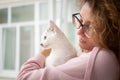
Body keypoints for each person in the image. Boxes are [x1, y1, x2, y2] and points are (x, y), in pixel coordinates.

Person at [16, 0, 120, 80]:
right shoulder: (104, 56)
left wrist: (43, 53)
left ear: (110, 30)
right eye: (80, 20)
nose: (78, 31)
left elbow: (23, 77)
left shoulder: (102, 58)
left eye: (90, 27)